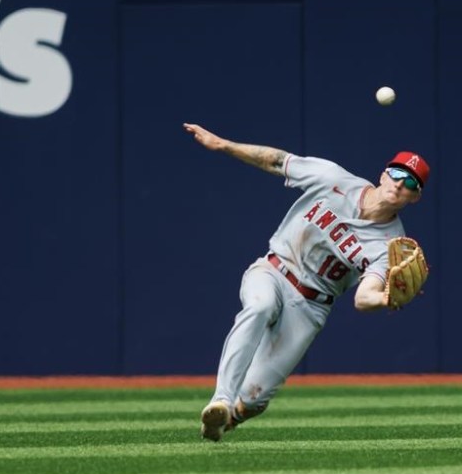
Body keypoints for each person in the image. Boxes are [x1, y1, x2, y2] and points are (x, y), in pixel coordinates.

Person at [182, 123, 429, 442]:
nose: (399, 184)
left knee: (256, 398)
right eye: (397, 174)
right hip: (274, 270)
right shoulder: (335, 180)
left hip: (311, 306)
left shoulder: (390, 244)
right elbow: (276, 160)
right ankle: (220, 399)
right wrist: (224, 145)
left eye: (410, 183)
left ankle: (224, 419)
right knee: (259, 307)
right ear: (384, 174)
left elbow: (362, 297)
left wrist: (385, 298)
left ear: (415, 197)